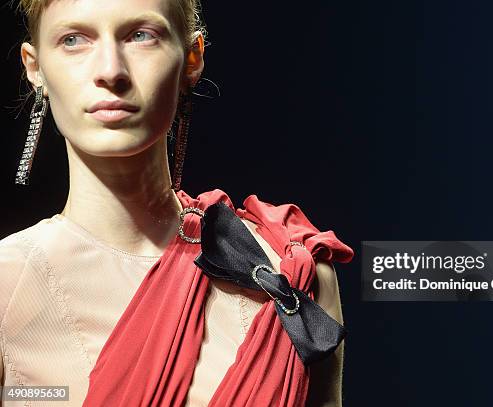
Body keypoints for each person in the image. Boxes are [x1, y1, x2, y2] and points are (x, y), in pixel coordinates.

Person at [0, 0, 354, 406]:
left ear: (192, 59)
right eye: (73, 39)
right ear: (34, 66)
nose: (110, 71)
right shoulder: (6, 286)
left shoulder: (292, 270)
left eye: (141, 36)